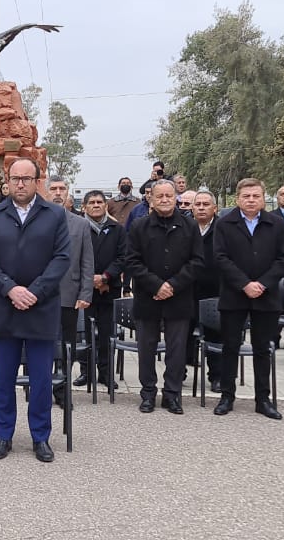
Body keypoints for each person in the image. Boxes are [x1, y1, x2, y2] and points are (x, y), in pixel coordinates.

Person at [0, 158, 71, 462]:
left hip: (40, 309)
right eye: (15, 178)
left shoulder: (55, 214)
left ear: (36, 181)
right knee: (3, 378)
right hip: (5, 309)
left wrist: (34, 291)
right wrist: (10, 288)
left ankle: (40, 437)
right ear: (8, 181)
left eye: (26, 179)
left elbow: (61, 258)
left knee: (41, 380)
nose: (20, 184)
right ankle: (4, 435)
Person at [212, 178, 284, 420]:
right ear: (238, 199)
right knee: (230, 347)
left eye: (256, 196)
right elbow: (220, 257)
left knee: (262, 349)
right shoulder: (225, 224)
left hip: (266, 297)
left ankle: (263, 399)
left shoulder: (276, 224)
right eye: (246, 196)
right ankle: (227, 396)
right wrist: (244, 283)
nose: (251, 200)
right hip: (234, 295)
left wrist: (263, 284)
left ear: (263, 198)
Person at [124, 180, 203, 414]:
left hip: (179, 298)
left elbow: (197, 261)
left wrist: (173, 285)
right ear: (151, 198)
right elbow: (132, 261)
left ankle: (172, 394)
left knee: (177, 350)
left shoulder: (189, 226)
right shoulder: (139, 226)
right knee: (146, 348)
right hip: (148, 297)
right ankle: (148, 393)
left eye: (169, 195)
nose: (165, 199)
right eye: (160, 196)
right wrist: (157, 285)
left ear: (176, 197)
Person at [75, 190, 125, 389]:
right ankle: (85, 372)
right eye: (92, 202)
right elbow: (72, 257)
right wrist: (89, 279)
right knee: (83, 333)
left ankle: (105, 373)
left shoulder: (117, 229)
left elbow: (123, 257)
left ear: (106, 206)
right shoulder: (77, 227)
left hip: (109, 289)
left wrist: (105, 277)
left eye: (100, 202)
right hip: (82, 290)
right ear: (84, 207)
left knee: (107, 333)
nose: (96, 205)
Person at [46, 176, 94, 365]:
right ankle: (39, 387)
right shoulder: (34, 220)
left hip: (70, 295)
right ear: (46, 191)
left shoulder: (81, 224)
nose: (58, 193)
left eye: (62, 189)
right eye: (54, 189)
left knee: (67, 345)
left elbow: (87, 262)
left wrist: (86, 293)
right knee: (41, 344)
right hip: (40, 295)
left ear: (67, 193)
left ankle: (62, 391)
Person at [190, 190, 223, 392]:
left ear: (214, 208)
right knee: (182, 333)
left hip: (216, 291)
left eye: (206, 204)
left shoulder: (224, 228)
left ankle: (217, 377)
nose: (201, 208)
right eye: (198, 204)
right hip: (187, 290)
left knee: (216, 336)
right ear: (192, 208)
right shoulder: (185, 227)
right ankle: (180, 374)